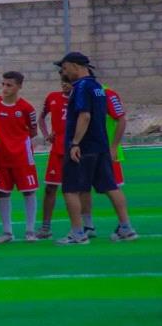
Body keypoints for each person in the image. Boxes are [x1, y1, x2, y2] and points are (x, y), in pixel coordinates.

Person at [55, 52, 137, 244]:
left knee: (70, 189)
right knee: (110, 186)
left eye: (65, 68)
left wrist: (75, 143)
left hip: (84, 147)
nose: (64, 73)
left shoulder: (81, 87)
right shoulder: (98, 87)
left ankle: (78, 233)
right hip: (100, 145)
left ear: (75, 66)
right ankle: (126, 227)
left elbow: (85, 116)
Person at [0, 71, 40, 243]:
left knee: (28, 191)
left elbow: (33, 131)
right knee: (3, 192)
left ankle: (30, 231)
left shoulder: (27, 108)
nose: (5, 88)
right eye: (3, 84)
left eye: (9, 85)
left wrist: (17, 140)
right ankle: (7, 232)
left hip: (22, 155)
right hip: (1, 155)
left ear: (19, 86)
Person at [80, 84, 129, 238]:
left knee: (113, 188)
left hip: (106, 152)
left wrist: (113, 147)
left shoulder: (107, 93)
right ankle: (88, 225)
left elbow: (121, 119)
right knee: (83, 188)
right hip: (88, 150)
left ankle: (125, 226)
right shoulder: (79, 92)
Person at [36, 76, 72, 239]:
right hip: (57, 150)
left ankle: (82, 226)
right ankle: (46, 228)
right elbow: (41, 117)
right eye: (62, 81)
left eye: (68, 81)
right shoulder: (52, 97)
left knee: (74, 190)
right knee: (50, 188)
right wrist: (46, 135)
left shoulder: (81, 98)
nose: (64, 84)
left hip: (74, 150)